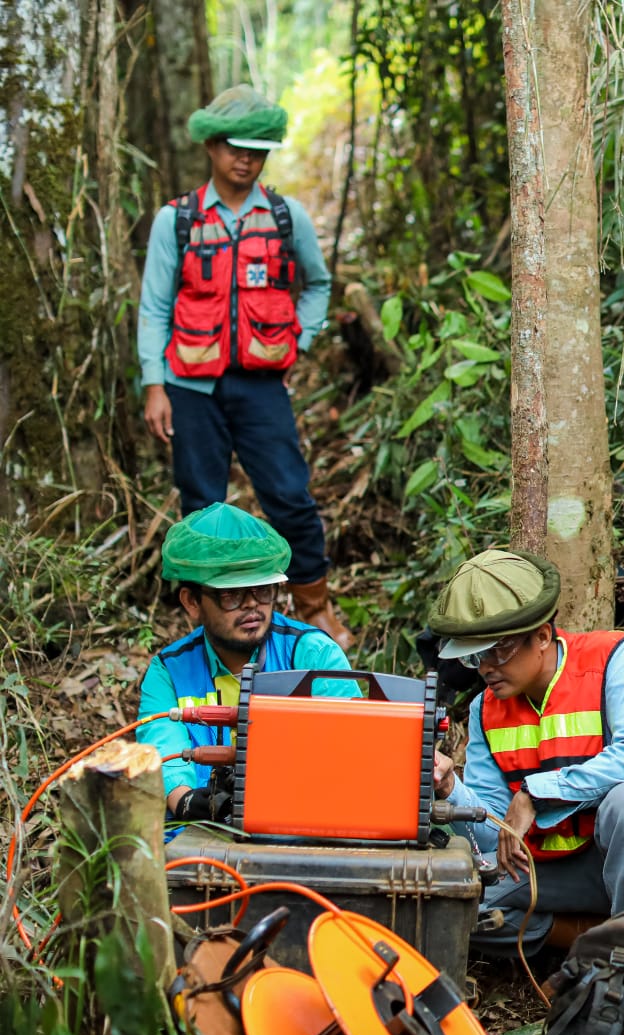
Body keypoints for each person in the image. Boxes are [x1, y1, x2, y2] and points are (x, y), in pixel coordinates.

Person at [136, 84, 353, 650]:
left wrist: (297, 341)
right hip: (190, 385)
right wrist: (154, 384)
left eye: (258, 149)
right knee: (201, 506)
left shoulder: (286, 216)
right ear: (211, 145)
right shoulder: (177, 221)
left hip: (261, 387)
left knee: (289, 495)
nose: (246, 159)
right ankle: (207, 625)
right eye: (235, 146)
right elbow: (156, 305)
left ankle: (316, 609)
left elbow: (319, 285)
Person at [425, 549, 624, 954]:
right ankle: (597, 945)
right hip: (557, 872)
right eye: (476, 656)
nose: (486, 667)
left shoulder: (614, 658)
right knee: (451, 902)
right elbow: (495, 831)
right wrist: (449, 788)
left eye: (498, 650)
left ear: (543, 636)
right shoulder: (484, 710)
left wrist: (535, 793)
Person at [136, 502, 354, 822]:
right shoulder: (169, 671)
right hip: (200, 835)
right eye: (232, 594)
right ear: (192, 602)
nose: (252, 604)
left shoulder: (313, 655)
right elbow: (164, 753)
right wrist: (187, 802)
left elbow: (348, 748)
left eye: (263, 589)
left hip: (303, 828)